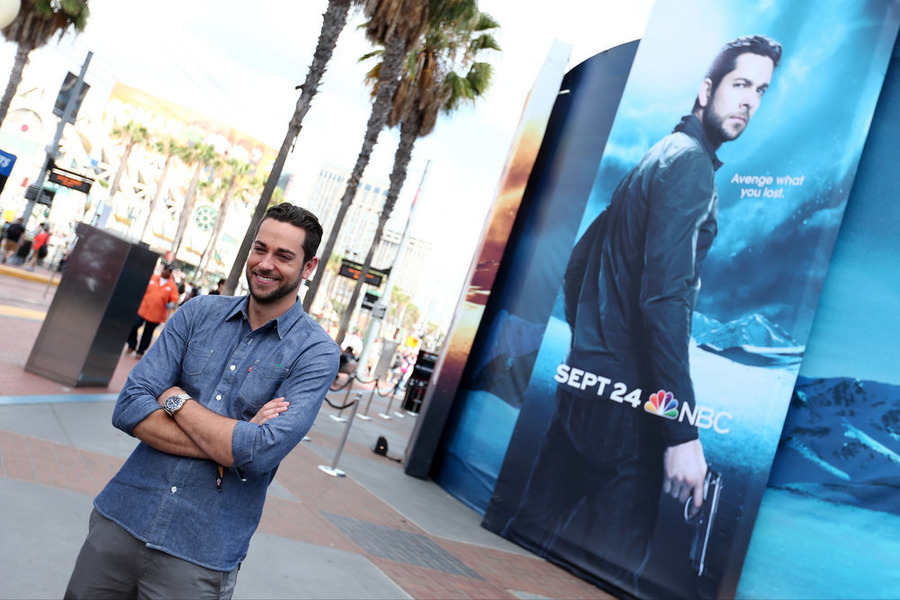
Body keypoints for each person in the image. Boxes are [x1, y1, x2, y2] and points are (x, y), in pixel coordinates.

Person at [503, 36, 782, 590]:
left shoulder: (658, 154)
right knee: (605, 570)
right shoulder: (692, 168)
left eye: (761, 90)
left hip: (585, 390)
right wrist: (681, 434)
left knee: (527, 535)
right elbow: (663, 301)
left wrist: (593, 351)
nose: (750, 101)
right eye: (740, 84)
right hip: (630, 413)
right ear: (707, 90)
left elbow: (580, 262)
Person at [65, 203, 340, 599]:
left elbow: (261, 453)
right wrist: (230, 443)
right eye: (260, 249)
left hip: (201, 553)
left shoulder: (315, 353)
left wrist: (174, 399)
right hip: (121, 520)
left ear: (308, 267)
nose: (265, 263)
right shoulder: (197, 313)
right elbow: (129, 406)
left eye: (283, 256)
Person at [126, 263, 180, 357]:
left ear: (170, 273)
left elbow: (174, 299)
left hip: (156, 314)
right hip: (143, 309)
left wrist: (172, 303)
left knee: (148, 333)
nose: (166, 271)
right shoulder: (153, 278)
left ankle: (140, 351)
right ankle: (131, 345)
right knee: (133, 326)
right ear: (162, 269)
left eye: (169, 270)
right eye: (165, 269)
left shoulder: (172, 285)